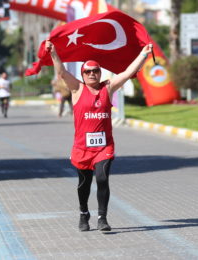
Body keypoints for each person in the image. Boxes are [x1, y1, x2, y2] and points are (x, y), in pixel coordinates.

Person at [46, 40, 153, 232]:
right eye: (88, 71)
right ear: (83, 75)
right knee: (84, 184)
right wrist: (54, 53)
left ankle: (102, 217)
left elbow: (128, 73)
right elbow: (61, 72)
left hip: (104, 147)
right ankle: (83, 213)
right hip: (82, 148)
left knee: (102, 178)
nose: (92, 74)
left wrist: (143, 54)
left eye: (95, 70)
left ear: (100, 73)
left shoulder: (108, 88)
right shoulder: (77, 89)